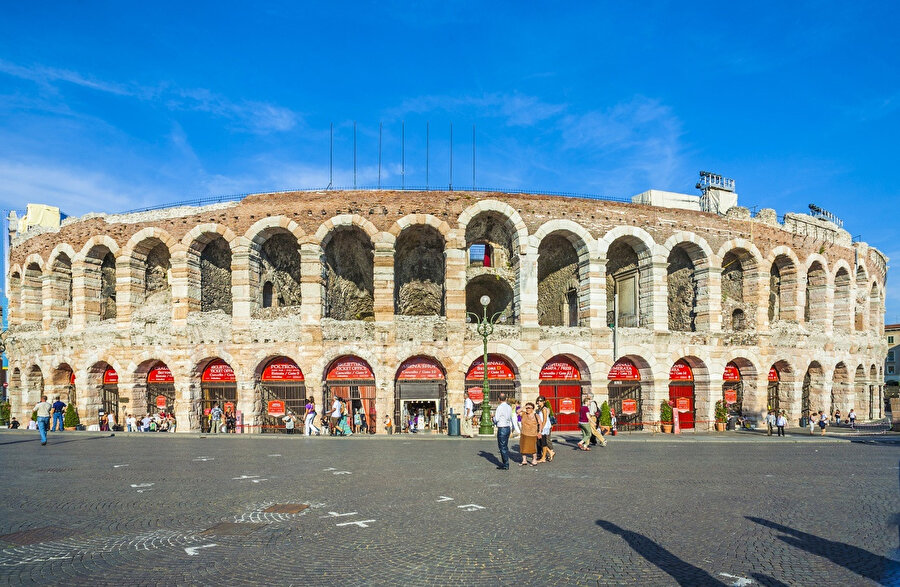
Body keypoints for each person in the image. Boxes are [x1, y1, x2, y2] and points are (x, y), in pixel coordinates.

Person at [492, 393, 513, 470]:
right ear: (506, 399)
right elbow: (511, 417)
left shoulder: (499, 407)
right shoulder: (509, 407)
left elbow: (496, 419)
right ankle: (505, 461)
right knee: (505, 446)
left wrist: (493, 418)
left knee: (502, 447)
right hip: (507, 427)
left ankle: (506, 464)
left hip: (502, 428)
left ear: (499, 399)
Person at [535, 396, 557, 461]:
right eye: (538, 400)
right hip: (542, 426)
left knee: (543, 441)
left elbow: (545, 419)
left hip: (545, 427)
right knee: (540, 442)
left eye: (541, 401)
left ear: (544, 402)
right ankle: (550, 452)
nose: (539, 402)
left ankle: (548, 454)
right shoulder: (539, 409)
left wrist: (541, 428)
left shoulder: (544, 409)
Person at [518, 402, 539, 466]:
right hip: (524, 433)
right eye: (527, 408)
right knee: (523, 447)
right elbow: (518, 411)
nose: (528, 409)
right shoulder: (524, 414)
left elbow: (540, 423)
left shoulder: (536, 415)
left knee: (532, 448)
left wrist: (540, 432)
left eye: (529, 408)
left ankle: (534, 460)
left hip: (532, 434)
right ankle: (524, 460)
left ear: (532, 409)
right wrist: (524, 407)